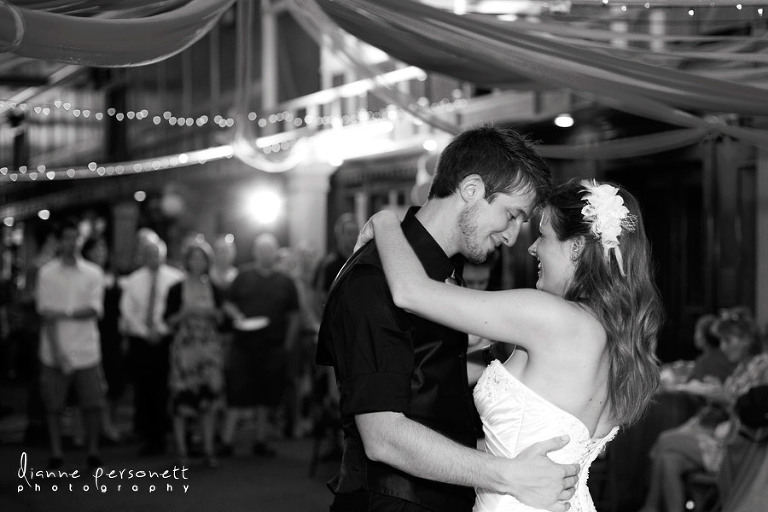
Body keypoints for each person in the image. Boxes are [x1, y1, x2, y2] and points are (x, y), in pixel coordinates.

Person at [355, 176, 663, 512]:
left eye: (543, 236)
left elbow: (410, 292)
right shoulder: (614, 335)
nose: (532, 248)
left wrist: (385, 222)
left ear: (576, 247)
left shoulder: (551, 316)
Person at [317, 126, 583, 512]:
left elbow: (429, 384)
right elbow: (383, 437)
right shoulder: (374, 278)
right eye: (511, 215)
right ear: (471, 189)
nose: (512, 238)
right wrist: (508, 475)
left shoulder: (444, 272)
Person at [640, 308, 767, 512]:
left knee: (665, 441)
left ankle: (650, 507)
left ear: (747, 340)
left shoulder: (761, 366)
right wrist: (719, 391)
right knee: (669, 460)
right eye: (722, 341)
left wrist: (724, 398)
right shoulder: (742, 367)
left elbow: (754, 410)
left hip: (735, 445)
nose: (723, 347)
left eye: (728, 341)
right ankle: (653, 507)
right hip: (724, 435)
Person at [219, 233, 301, 457]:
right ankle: (226, 440)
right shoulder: (243, 276)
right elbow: (227, 304)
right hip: (243, 345)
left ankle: (260, 439)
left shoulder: (285, 281)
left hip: (273, 346)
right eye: (262, 250)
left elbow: (294, 315)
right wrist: (237, 316)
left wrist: (287, 346)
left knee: (268, 393)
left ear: (275, 252)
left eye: (270, 250)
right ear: (255, 252)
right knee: (237, 391)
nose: (266, 254)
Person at [35, 219, 106, 470]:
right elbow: (46, 314)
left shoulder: (93, 273)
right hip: (54, 351)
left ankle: (93, 451)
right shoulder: (47, 273)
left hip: (86, 349)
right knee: (54, 406)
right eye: (66, 238)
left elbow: (94, 310)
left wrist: (63, 312)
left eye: (75, 238)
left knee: (93, 404)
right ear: (59, 241)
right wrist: (57, 353)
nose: (71, 243)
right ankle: (56, 453)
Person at [120, 235, 184, 456]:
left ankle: (167, 432)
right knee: (144, 388)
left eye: (156, 254)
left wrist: (162, 330)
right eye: (149, 254)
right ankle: (149, 435)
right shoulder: (134, 280)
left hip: (166, 339)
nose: (153, 258)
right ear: (143, 257)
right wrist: (144, 332)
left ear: (163, 255)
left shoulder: (175, 278)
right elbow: (127, 311)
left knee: (165, 388)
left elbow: (177, 309)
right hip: (141, 340)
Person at [164, 239, 225, 467]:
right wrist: (185, 313)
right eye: (193, 258)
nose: (198, 262)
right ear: (187, 261)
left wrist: (212, 314)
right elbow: (168, 321)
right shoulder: (176, 289)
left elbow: (223, 319)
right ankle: (181, 452)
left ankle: (208, 449)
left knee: (208, 399)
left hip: (209, 350)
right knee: (182, 400)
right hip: (185, 350)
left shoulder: (215, 288)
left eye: (202, 258)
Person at [82, 236, 125, 443]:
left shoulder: (113, 275)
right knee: (92, 381)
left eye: (103, 249)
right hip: (90, 332)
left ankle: (109, 424)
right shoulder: (83, 274)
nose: (100, 253)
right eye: (95, 249)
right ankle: (89, 428)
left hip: (112, 334)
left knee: (113, 380)